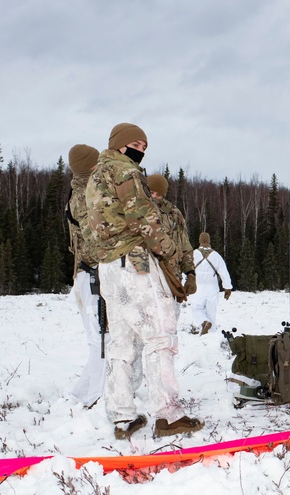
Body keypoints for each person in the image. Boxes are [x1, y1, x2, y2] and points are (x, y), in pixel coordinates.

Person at [86, 122, 204, 439]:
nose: (141, 149)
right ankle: (168, 415)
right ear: (121, 144)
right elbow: (143, 216)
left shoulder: (95, 178)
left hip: (108, 267)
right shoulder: (125, 171)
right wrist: (167, 253)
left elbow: (89, 228)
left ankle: (123, 417)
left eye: (145, 145)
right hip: (134, 263)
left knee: (121, 344)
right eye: (136, 143)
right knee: (160, 336)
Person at [65, 144, 107, 408]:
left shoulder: (82, 190)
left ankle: (82, 392)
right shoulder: (84, 197)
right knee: (102, 341)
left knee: (100, 340)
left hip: (88, 277)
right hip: (92, 277)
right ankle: (95, 397)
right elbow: (93, 242)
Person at [146, 173, 196, 311]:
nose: (154, 197)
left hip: (170, 275)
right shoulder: (136, 209)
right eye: (151, 193)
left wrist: (190, 273)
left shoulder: (173, 213)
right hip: (144, 274)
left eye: (159, 194)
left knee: (170, 320)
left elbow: (184, 244)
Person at [190, 232, 233, 335]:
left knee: (196, 309)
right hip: (212, 288)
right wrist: (227, 288)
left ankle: (204, 322)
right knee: (211, 313)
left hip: (198, 287)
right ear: (209, 241)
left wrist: (184, 287)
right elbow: (224, 272)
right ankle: (211, 337)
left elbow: (186, 271)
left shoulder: (193, 254)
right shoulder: (216, 255)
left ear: (199, 241)